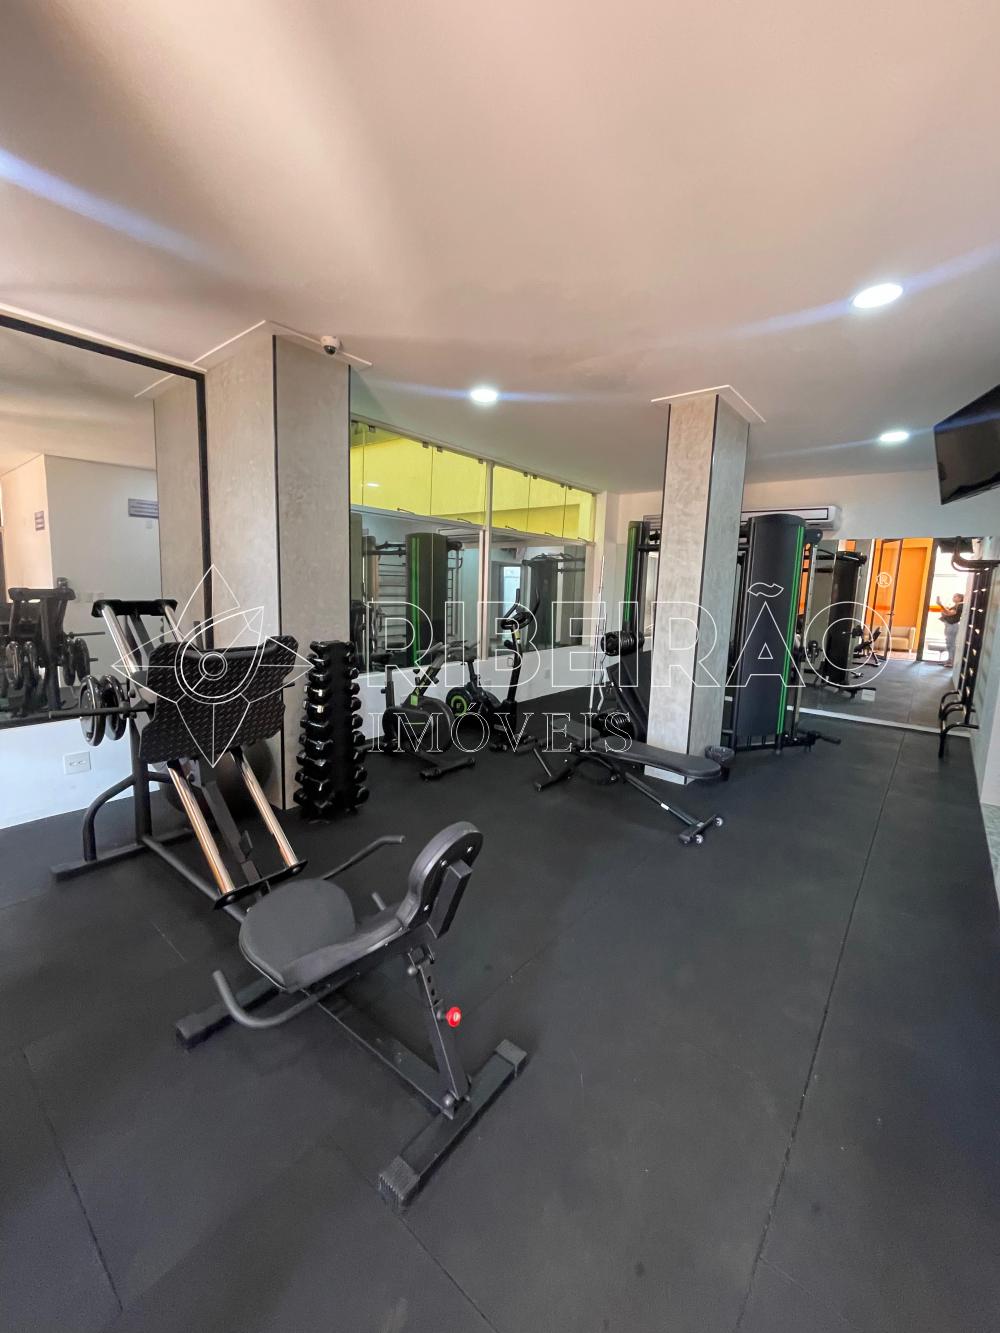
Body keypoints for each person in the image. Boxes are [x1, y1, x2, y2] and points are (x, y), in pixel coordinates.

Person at [938, 592, 965, 668]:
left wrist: (941, 605)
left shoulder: (959, 605)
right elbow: (947, 614)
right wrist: (944, 611)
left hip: (952, 626)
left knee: (951, 644)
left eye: (955, 597)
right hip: (949, 625)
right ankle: (950, 660)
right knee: (949, 644)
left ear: (960, 598)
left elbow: (949, 613)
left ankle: (952, 661)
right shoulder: (956, 605)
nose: (953, 598)